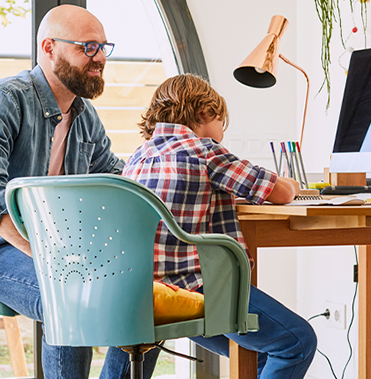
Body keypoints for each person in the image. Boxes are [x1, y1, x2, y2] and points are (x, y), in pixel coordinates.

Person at [0, 4, 157, 379]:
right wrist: (46, 254)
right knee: (67, 293)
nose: (99, 58)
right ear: (49, 48)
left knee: (140, 294)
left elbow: (117, 179)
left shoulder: (84, 116)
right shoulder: (2, 100)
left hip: (53, 251)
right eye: (87, 47)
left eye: (103, 47)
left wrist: (167, 176)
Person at [123, 74, 317, 379]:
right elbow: (278, 192)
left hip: (140, 290)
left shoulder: (137, 156)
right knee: (297, 343)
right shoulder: (203, 150)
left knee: (259, 355)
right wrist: (292, 184)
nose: (222, 133)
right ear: (204, 114)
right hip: (192, 290)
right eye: (221, 122)